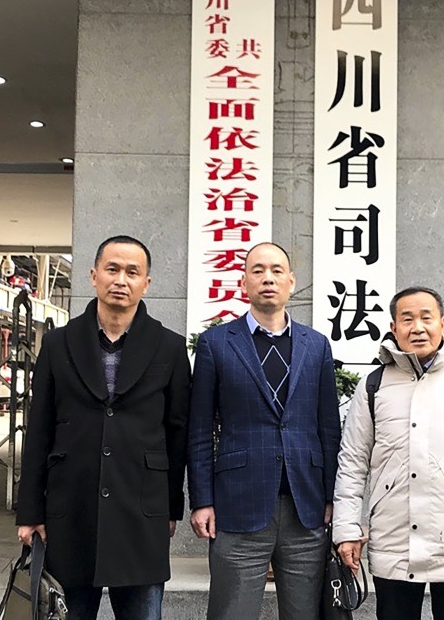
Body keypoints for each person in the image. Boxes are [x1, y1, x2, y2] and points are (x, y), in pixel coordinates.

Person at [16, 235, 190, 620]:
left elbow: (177, 432)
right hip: (70, 509)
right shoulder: (58, 344)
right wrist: (30, 510)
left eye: (132, 272)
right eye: (112, 269)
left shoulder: (169, 347)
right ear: (94, 275)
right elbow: (39, 429)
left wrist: (170, 507)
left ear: (147, 283)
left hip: (140, 510)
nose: (121, 280)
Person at [332, 287, 444, 620]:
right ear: (393, 328)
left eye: (426, 318)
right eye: (407, 319)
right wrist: (346, 530)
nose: (417, 327)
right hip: (393, 539)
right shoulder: (373, 386)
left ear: (442, 323)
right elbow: (352, 463)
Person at [187, 242, 342, 620]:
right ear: (244, 282)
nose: (267, 278)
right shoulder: (216, 343)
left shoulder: (316, 345)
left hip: (305, 507)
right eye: (257, 270)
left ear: (291, 282)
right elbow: (200, 428)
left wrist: (333, 497)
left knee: (305, 614)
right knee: (231, 613)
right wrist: (202, 499)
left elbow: (328, 427)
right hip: (237, 505)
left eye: (276, 270)